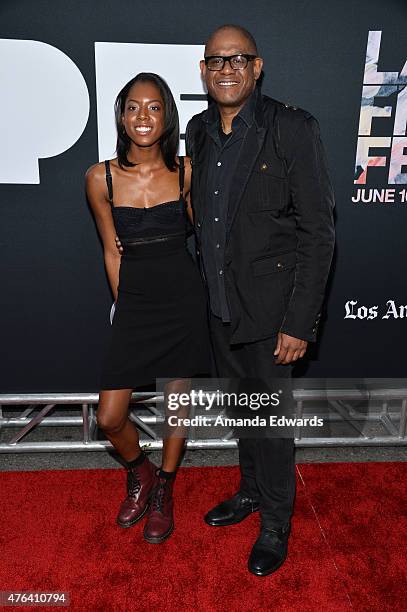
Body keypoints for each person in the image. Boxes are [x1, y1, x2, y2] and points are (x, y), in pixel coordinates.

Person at [185, 25, 335, 576]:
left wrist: (299, 322)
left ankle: (276, 521)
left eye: (237, 59)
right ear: (204, 70)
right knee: (244, 412)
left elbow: (318, 232)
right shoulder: (199, 131)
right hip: (221, 306)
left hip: (274, 316)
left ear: (257, 67)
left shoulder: (292, 128)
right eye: (215, 61)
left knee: (272, 425)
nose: (225, 69)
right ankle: (249, 492)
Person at [85, 73, 210, 544]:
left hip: (183, 300)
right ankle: (141, 473)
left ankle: (166, 487)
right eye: (133, 107)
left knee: (177, 406)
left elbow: (205, 236)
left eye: (154, 107)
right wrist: (126, 306)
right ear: (121, 115)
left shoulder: (187, 171)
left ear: (167, 116)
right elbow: (111, 250)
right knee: (110, 418)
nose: (143, 116)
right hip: (136, 302)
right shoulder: (101, 178)